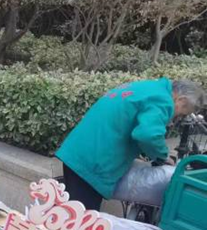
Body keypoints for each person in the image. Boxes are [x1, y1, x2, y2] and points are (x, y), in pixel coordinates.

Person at [56, 78, 206, 211]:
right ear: (181, 99)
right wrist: (162, 156)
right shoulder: (163, 100)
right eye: (182, 113)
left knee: (70, 213)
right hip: (94, 161)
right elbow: (147, 134)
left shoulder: (150, 87)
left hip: (79, 151)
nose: (176, 117)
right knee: (81, 220)